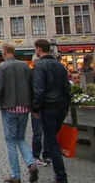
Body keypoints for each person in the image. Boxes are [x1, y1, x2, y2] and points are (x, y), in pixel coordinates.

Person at [0, 43, 39, 183]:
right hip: (24, 108)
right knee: (21, 138)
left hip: (10, 107)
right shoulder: (25, 65)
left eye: (1, 51)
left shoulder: (1, 67)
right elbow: (31, 85)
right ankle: (31, 164)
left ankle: (15, 175)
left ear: (5, 52)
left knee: (10, 142)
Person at [33, 39, 71, 183]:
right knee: (52, 138)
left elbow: (39, 90)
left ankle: (61, 176)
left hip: (48, 107)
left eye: (35, 49)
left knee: (51, 141)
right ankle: (58, 172)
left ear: (39, 49)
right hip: (60, 106)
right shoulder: (59, 65)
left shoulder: (40, 66)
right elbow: (67, 89)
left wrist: (35, 108)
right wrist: (66, 106)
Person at [30, 54, 50, 167]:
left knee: (44, 132)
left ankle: (44, 155)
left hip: (42, 105)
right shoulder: (33, 73)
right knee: (38, 132)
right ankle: (37, 155)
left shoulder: (43, 72)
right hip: (39, 106)